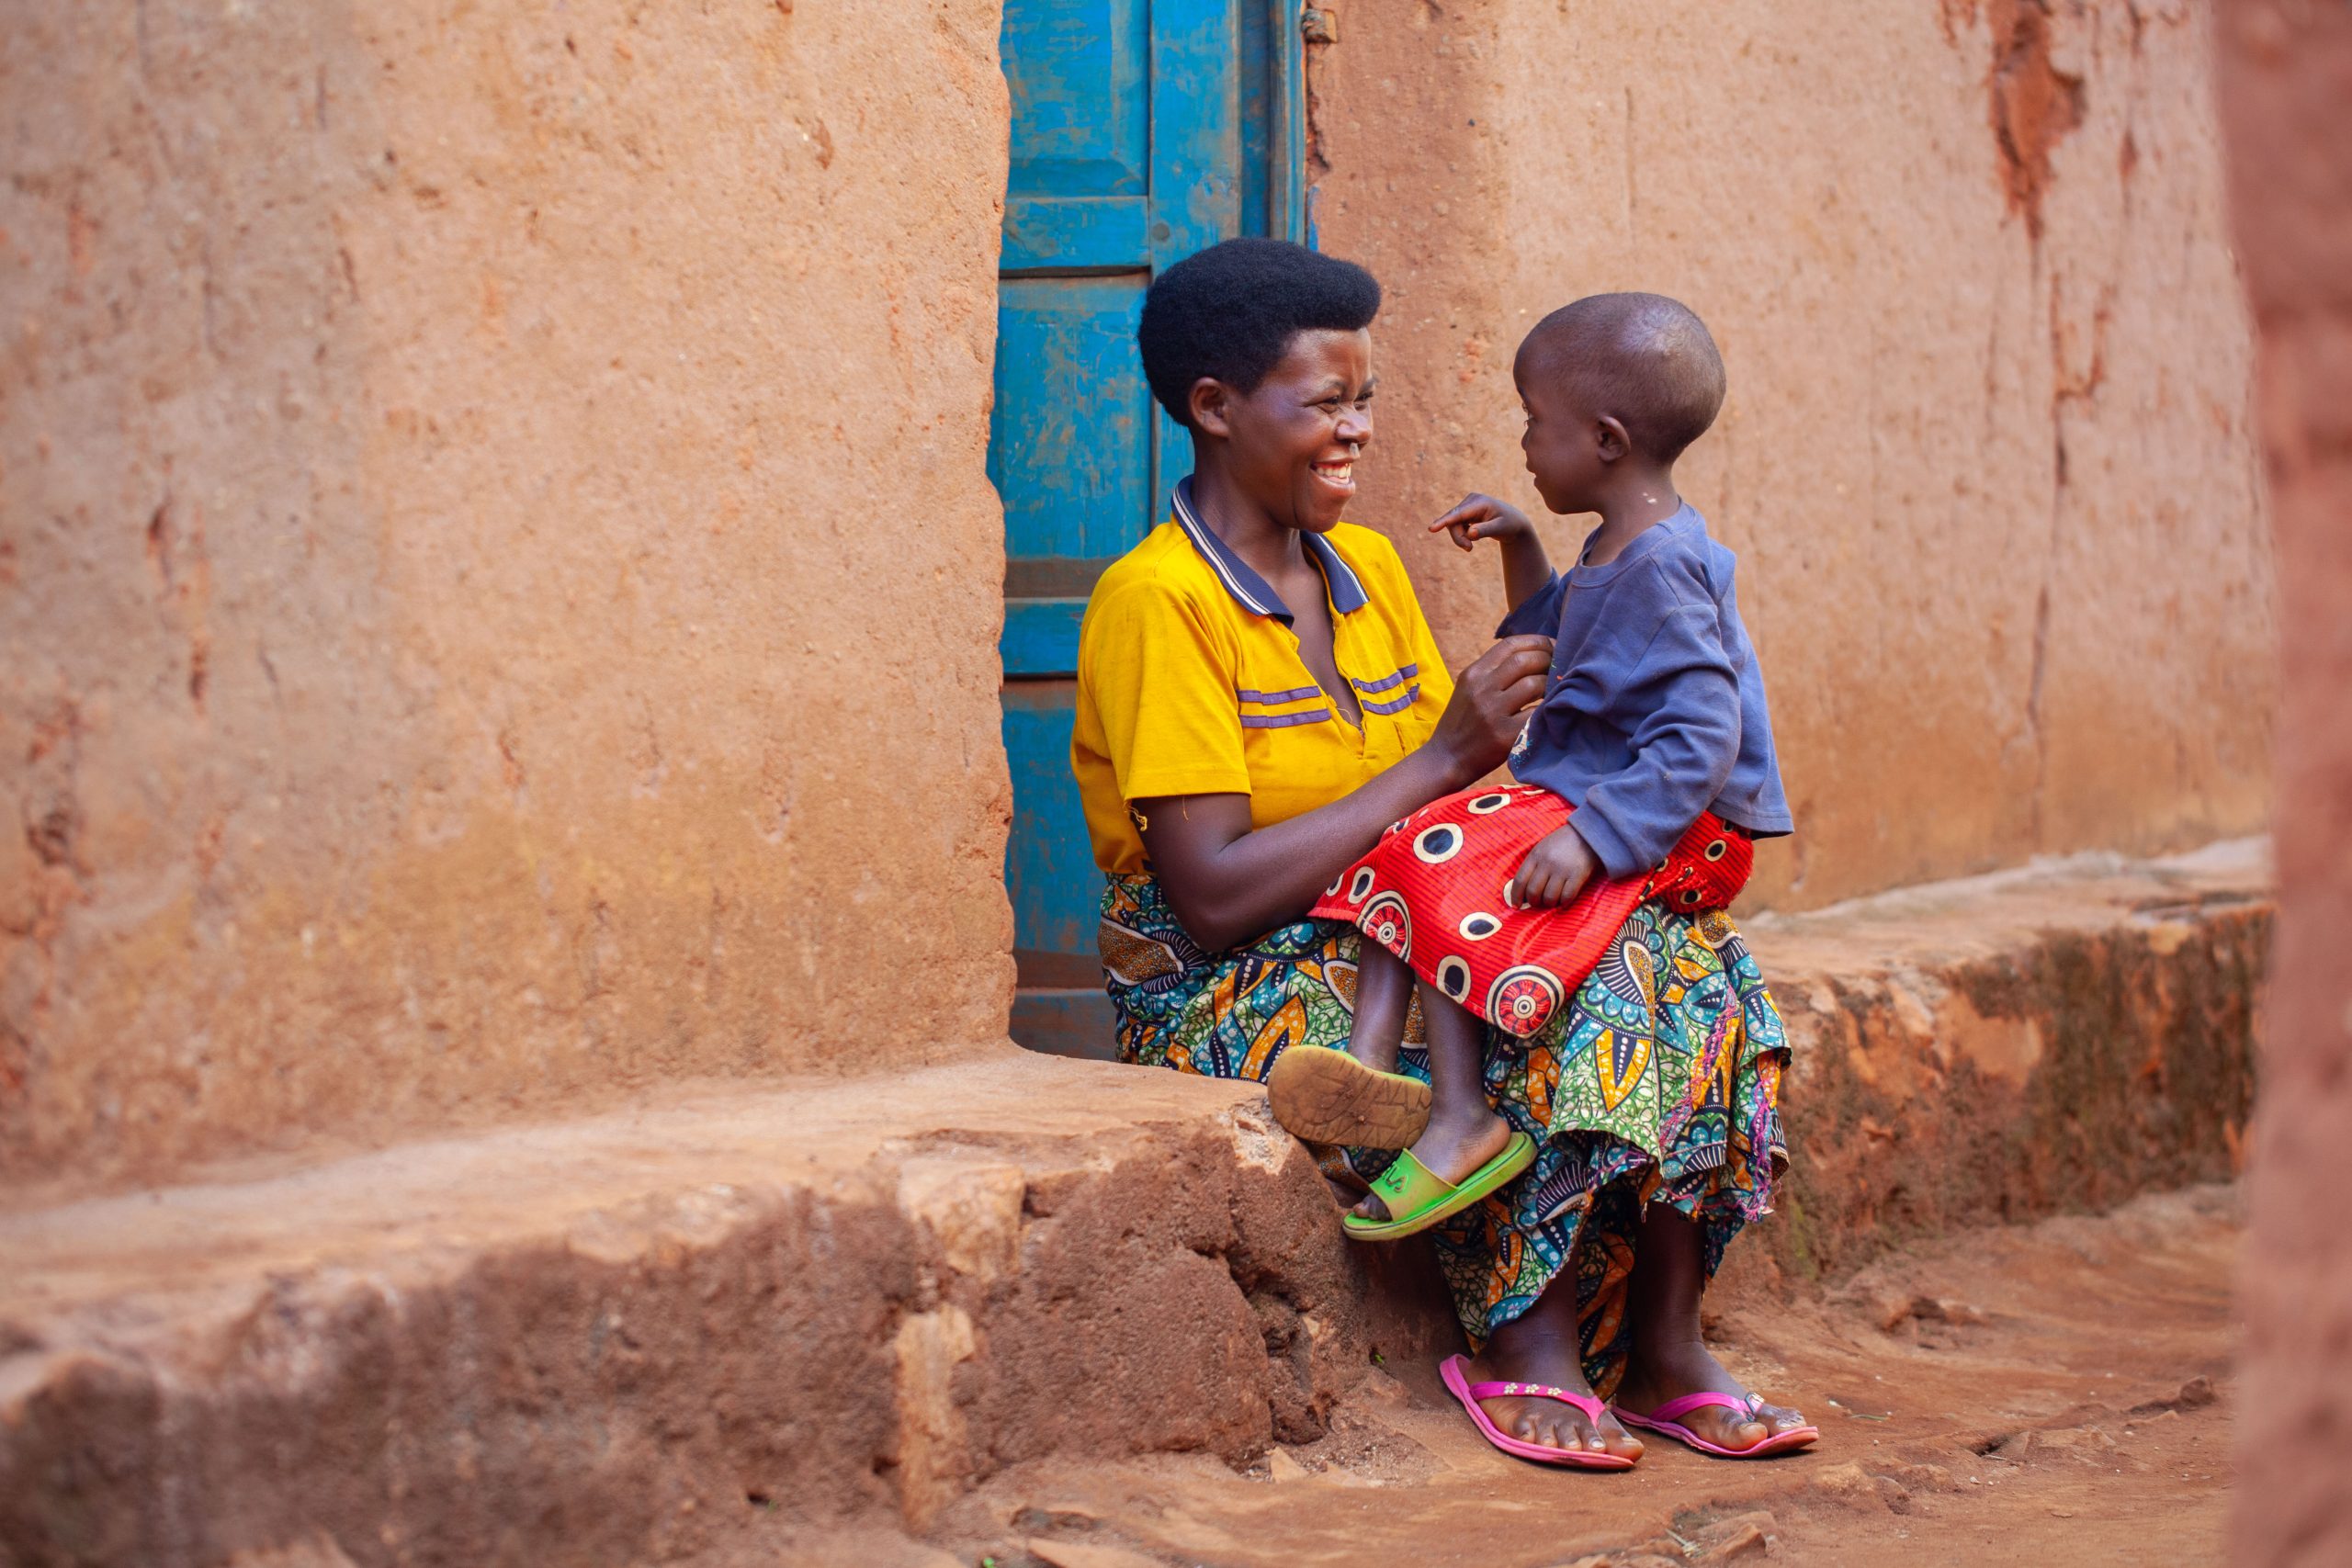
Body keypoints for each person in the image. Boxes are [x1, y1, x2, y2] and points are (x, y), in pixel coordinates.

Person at [1074, 243, 1808, 1464]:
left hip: (1383, 927)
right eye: (1325, 403)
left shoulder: (1361, 571)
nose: (1357, 429)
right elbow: (1208, 899)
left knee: (1690, 963)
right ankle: (1526, 1339)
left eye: (1364, 399)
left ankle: (1665, 1349)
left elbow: (1455, 807)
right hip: (1232, 977)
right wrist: (1442, 759)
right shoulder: (1159, 604)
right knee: (1551, 1001)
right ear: (1212, 408)